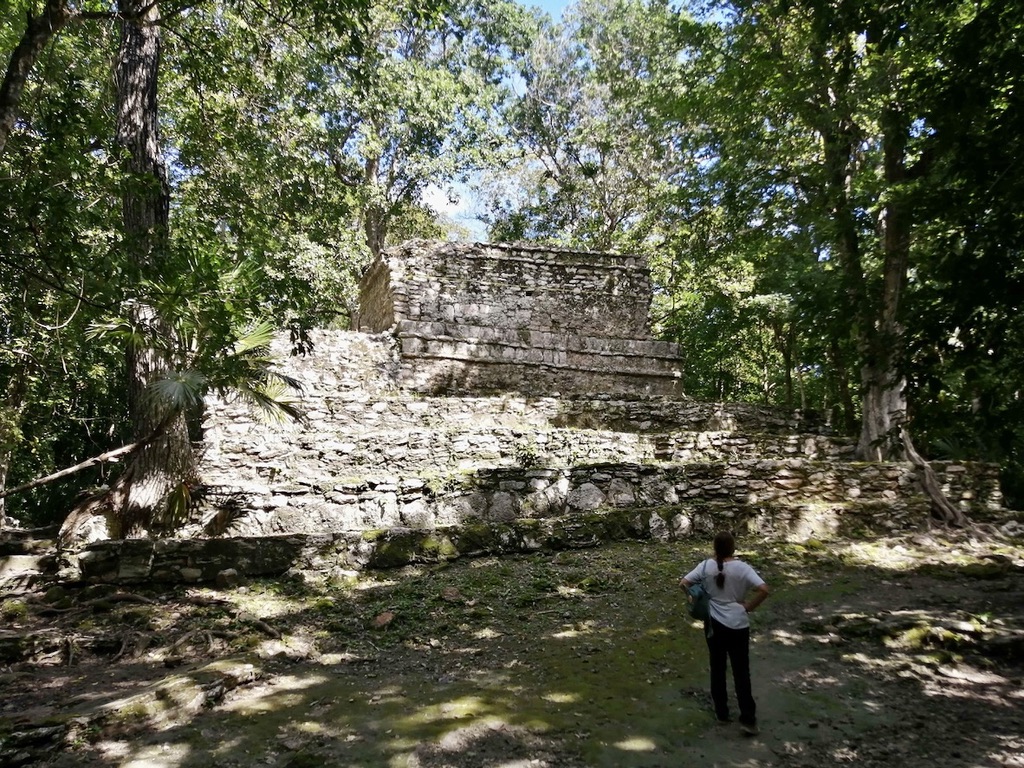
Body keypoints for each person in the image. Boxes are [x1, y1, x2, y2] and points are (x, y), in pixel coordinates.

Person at [680, 530, 769, 735]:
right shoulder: (742, 568)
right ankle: (748, 718)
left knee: (717, 667)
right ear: (733, 548)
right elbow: (764, 589)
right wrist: (749, 606)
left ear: (714, 548)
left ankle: (722, 712)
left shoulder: (705, 566)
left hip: (714, 624)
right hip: (739, 624)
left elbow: (684, 583)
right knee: (741, 671)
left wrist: (697, 599)